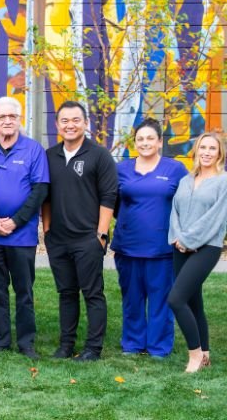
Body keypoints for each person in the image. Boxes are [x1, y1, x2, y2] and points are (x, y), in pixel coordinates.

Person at [0, 97, 49, 360]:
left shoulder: (33, 150)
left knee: (24, 292)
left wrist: (16, 220)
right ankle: (1, 341)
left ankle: (26, 342)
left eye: (12, 116)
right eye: (1, 117)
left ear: (19, 120)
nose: (7, 121)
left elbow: (40, 190)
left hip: (22, 236)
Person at [42, 101, 117, 362]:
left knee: (93, 293)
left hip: (88, 239)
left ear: (86, 123)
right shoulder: (50, 156)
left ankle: (93, 349)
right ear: (57, 125)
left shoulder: (99, 155)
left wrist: (101, 235)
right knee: (66, 293)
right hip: (58, 240)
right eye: (64, 120)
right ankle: (65, 345)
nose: (70, 125)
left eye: (76, 120)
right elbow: (46, 197)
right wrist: (48, 230)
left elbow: (109, 196)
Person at [111, 118, 187, 359]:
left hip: (162, 249)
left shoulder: (175, 169)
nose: (145, 143)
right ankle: (132, 344)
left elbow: (187, 202)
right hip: (128, 246)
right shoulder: (121, 169)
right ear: (135, 142)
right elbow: (113, 203)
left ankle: (158, 347)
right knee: (132, 299)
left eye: (150, 138)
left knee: (160, 300)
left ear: (159, 142)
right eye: (140, 139)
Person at [168, 131, 227, 373]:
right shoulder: (185, 180)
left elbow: (215, 219)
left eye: (212, 148)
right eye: (203, 147)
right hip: (180, 246)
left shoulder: (224, 182)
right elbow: (175, 211)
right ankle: (205, 354)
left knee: (176, 299)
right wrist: (178, 238)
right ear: (196, 151)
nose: (206, 152)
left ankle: (194, 354)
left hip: (207, 248)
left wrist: (189, 240)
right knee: (194, 302)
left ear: (220, 153)